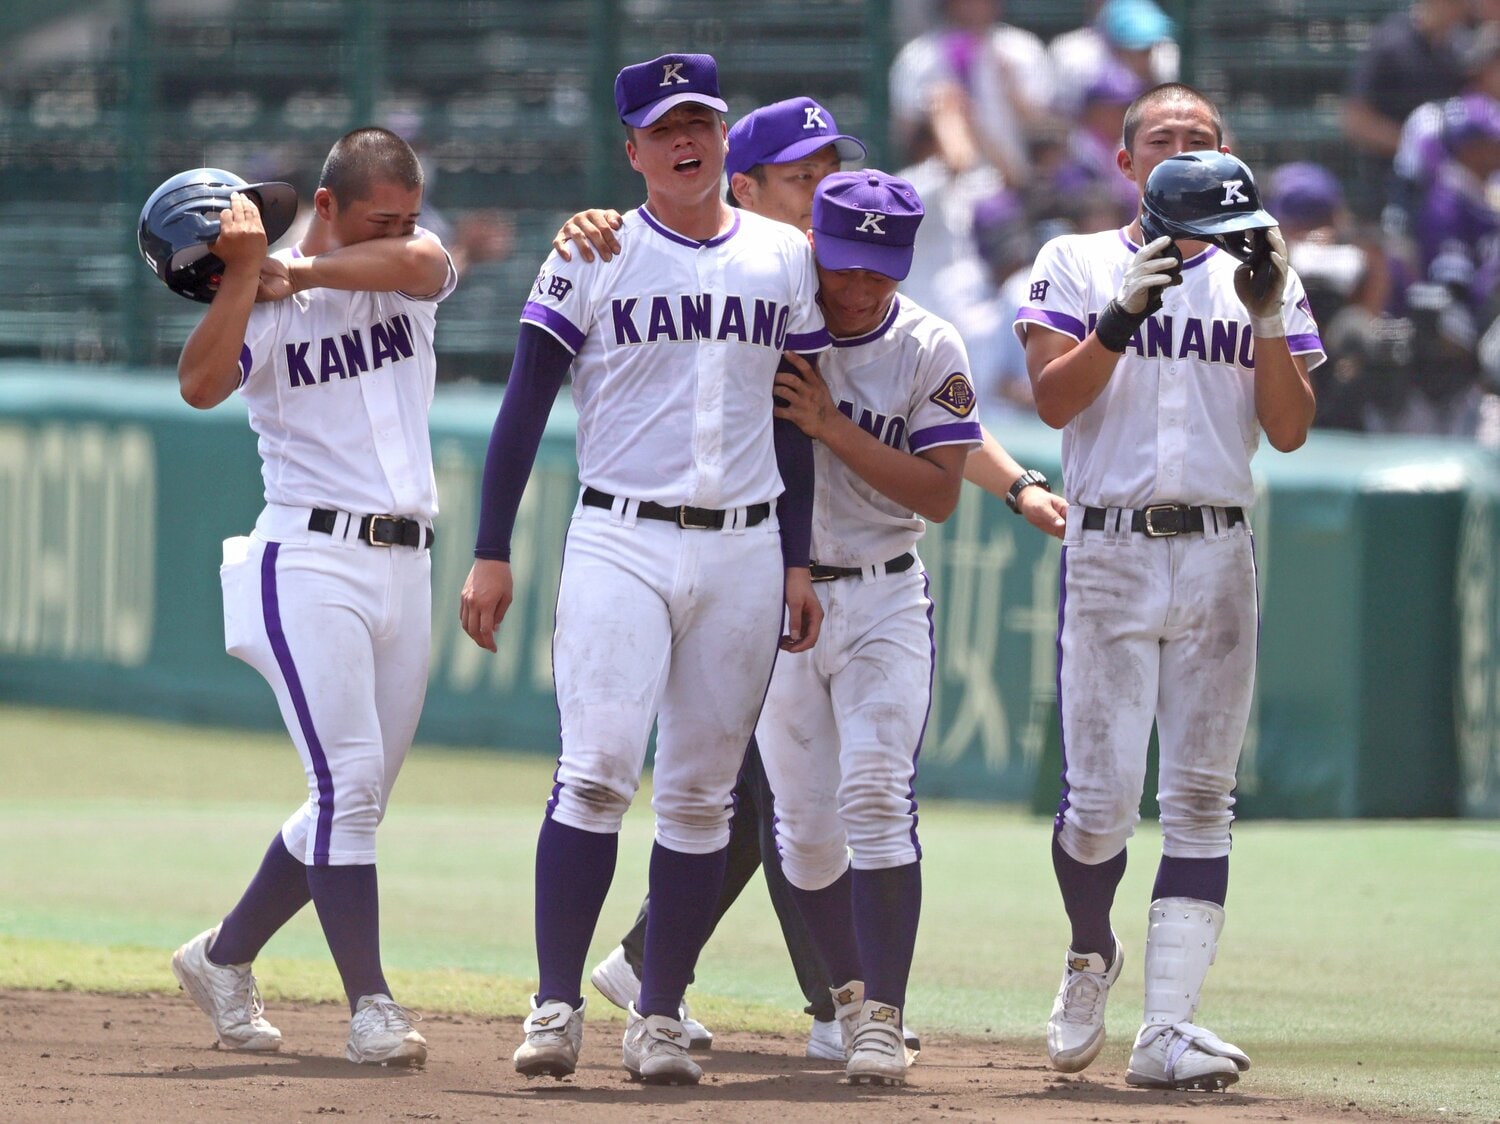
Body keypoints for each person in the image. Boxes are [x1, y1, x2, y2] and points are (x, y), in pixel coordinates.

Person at [458, 52, 827, 1088]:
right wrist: (492, 546)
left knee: (705, 795)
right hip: (620, 533)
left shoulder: (782, 256)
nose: (686, 138)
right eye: (664, 125)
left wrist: (799, 559)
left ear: (722, 135)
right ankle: (556, 1001)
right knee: (597, 769)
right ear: (632, 149)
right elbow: (525, 400)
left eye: (701, 119)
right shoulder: (592, 251)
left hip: (747, 542)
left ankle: (659, 1013)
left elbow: (795, 423)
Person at [1015, 84, 1321, 1091]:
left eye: (1199, 136)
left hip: (1218, 545)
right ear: (1126, 160)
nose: (1180, 147)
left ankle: (1170, 1027)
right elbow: (1053, 396)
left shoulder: (1262, 267)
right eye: (1162, 137)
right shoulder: (1076, 258)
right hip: (1108, 543)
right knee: (1099, 807)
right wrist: (1120, 314)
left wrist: (1268, 310)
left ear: (1227, 155)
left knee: (1199, 797)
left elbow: (1288, 428)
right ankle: (1090, 947)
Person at [556, 95, 867, 1063]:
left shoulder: (856, 269)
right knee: (748, 797)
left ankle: (662, 969)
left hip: (808, 564)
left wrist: (1018, 481)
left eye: (832, 176)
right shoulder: (681, 256)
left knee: (762, 799)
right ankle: (812, 999)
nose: (828, 195)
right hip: (743, 554)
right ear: (747, 182)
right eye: (803, 180)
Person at [161, 128, 456, 1066]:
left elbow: (426, 259)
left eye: (406, 211)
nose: (401, 229)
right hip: (310, 557)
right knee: (350, 787)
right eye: (380, 213)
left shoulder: (390, 264)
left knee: (353, 796)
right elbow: (200, 384)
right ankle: (371, 1004)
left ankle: (222, 956)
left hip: (407, 563)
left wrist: (306, 276)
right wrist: (252, 275)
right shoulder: (265, 297)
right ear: (325, 206)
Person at [752, 168, 978, 1087]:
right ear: (813, 243)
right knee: (804, 833)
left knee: (878, 797)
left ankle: (884, 1017)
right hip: (775, 598)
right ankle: (846, 999)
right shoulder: (774, 317)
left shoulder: (928, 343)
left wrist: (836, 430)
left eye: (877, 270)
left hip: (885, 590)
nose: (856, 287)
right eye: (843, 265)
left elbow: (940, 493)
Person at [1341, 0, 1470, 218]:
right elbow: (1356, 121)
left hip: (1441, 194)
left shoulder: (1455, 50)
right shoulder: (1391, 44)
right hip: (1389, 189)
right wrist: (1418, 146)